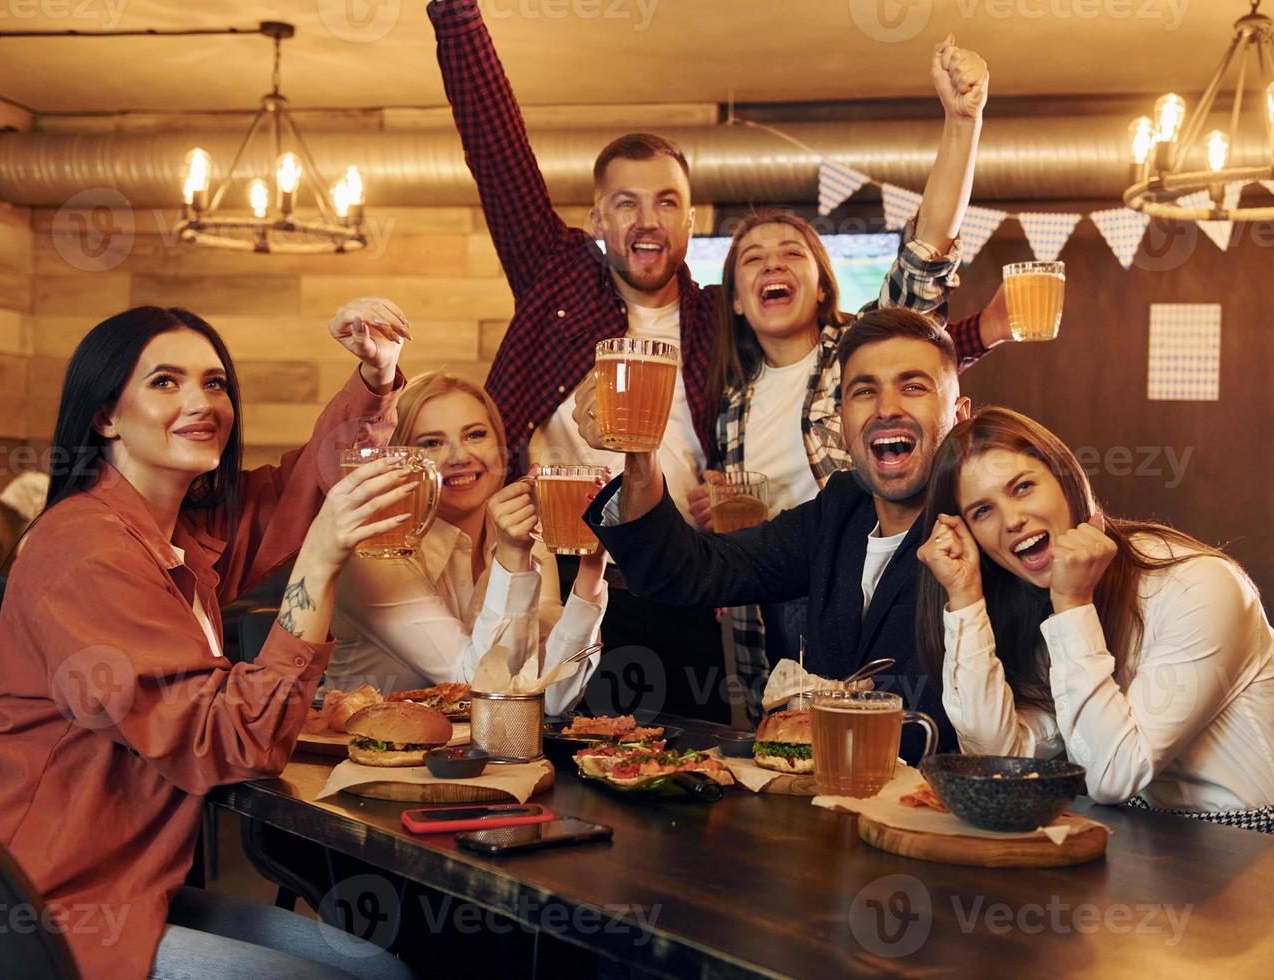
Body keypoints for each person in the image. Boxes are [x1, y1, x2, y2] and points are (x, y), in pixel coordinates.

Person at [428, 0, 999, 721]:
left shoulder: (715, 324)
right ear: (598, 218)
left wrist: (973, 338)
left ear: (690, 223)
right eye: (625, 204)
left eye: (666, 202)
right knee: (529, 740)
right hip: (547, 571)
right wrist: (457, 17)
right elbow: (498, 154)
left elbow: (884, 335)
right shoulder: (556, 277)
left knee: (676, 773)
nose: (646, 220)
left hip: (683, 587)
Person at [0, 300, 421, 979]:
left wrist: (376, 380)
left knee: (385, 971)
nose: (202, 402)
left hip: (137, 886)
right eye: (165, 382)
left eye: (214, 382)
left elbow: (298, 488)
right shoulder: (86, 551)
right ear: (105, 415)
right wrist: (320, 560)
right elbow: (239, 741)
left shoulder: (172, 528)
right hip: (50, 903)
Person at [692, 38, 1006, 720]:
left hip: (865, 596)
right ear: (739, 299)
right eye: (752, 258)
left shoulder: (859, 356)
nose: (772, 262)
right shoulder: (730, 403)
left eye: (791, 252)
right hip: (762, 616)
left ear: (818, 281)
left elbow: (927, 254)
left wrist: (962, 124)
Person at [578, 306, 980, 758]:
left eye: (913, 387)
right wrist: (640, 455)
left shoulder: (988, 528)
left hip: (935, 813)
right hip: (824, 810)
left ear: (960, 416)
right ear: (842, 421)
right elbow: (681, 572)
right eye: (864, 391)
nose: (887, 408)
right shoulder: (838, 510)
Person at [914, 407, 1274, 840]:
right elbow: (1000, 762)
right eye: (983, 511)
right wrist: (966, 598)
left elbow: (1113, 776)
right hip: (1135, 840)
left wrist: (1073, 604)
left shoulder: (1197, 584)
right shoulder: (1040, 600)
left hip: (1250, 851)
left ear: (1066, 481)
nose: (1011, 521)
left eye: (1023, 487)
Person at [327, 371, 608, 715]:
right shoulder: (373, 550)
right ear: (400, 461)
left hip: (471, 754)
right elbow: (481, 684)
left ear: (501, 450)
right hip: (357, 755)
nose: (460, 456)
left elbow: (550, 697)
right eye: (431, 442)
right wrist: (512, 557)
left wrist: (591, 572)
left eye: (475, 434)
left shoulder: (524, 535)